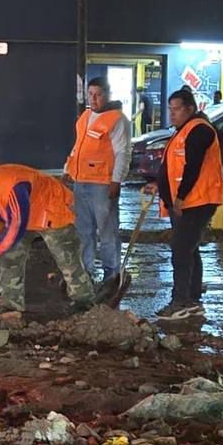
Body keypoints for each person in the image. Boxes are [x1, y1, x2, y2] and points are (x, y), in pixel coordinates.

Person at [0, 163, 96, 314]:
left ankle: (83, 301)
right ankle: (11, 303)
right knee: (10, 258)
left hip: (52, 209)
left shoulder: (14, 186)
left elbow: (17, 226)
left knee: (67, 259)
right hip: (19, 216)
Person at [145, 87, 223, 321]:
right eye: (170, 109)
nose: (172, 114)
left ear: (190, 109)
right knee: (190, 248)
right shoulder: (183, 130)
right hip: (189, 200)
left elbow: (192, 167)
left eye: (176, 109)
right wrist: (160, 186)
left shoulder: (199, 130)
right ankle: (192, 298)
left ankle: (181, 301)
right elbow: (174, 167)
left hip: (196, 201)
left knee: (180, 250)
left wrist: (179, 198)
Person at [65, 77, 131, 292]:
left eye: (98, 94)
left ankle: (111, 275)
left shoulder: (117, 120)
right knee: (84, 232)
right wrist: (68, 169)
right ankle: (86, 274)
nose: (93, 98)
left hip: (102, 184)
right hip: (81, 181)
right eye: (90, 94)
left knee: (107, 231)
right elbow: (78, 147)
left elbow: (122, 152)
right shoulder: (85, 116)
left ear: (108, 94)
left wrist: (116, 180)